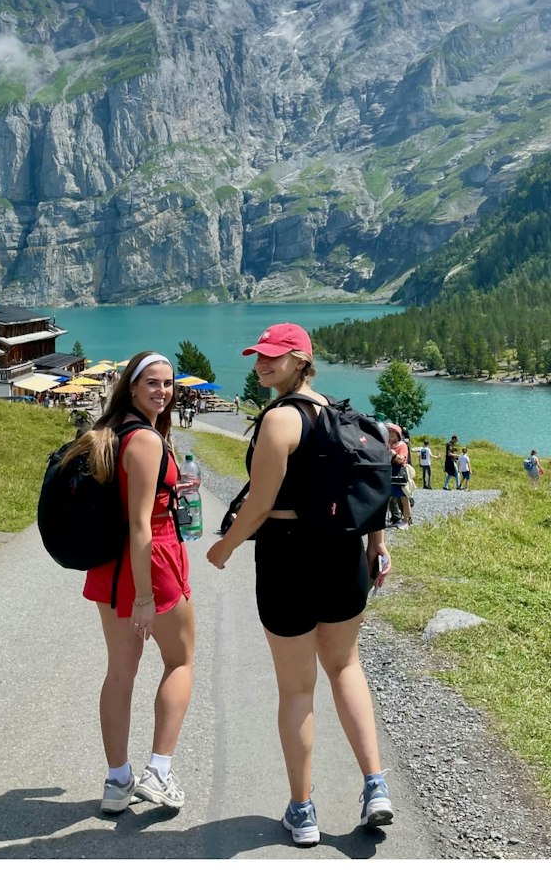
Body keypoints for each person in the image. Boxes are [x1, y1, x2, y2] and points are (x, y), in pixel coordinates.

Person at [205, 323, 394, 847]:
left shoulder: (281, 419)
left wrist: (223, 548)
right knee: (346, 666)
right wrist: (377, 543)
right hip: (343, 553)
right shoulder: (348, 417)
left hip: (289, 555)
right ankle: (375, 786)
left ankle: (302, 810)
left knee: (296, 688)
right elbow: (369, 483)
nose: (262, 364)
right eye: (258, 356)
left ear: (300, 359)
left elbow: (261, 503)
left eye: (273, 356)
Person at [68, 350, 194, 815]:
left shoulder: (108, 431)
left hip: (109, 564)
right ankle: (158, 773)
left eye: (169, 384)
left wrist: (168, 490)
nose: (163, 391)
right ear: (133, 387)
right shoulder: (146, 440)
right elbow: (142, 525)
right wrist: (145, 597)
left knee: (120, 670)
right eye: (154, 383)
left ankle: (117, 781)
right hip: (150, 562)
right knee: (180, 661)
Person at [386, 423, 413, 529]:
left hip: (399, 473)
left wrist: (394, 454)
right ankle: (394, 518)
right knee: (388, 498)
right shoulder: (388, 445)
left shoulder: (402, 445)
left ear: (397, 435)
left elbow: (402, 459)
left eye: (392, 435)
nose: (390, 437)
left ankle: (407, 520)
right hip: (390, 473)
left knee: (404, 499)